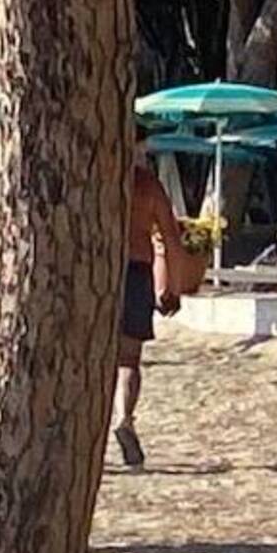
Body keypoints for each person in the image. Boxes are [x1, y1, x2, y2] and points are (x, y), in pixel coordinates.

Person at [118, 157, 188, 469]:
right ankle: (125, 419)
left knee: (95, 361)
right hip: (137, 270)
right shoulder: (148, 185)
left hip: (101, 269)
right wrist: (171, 288)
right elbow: (170, 238)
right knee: (130, 358)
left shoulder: (100, 178)